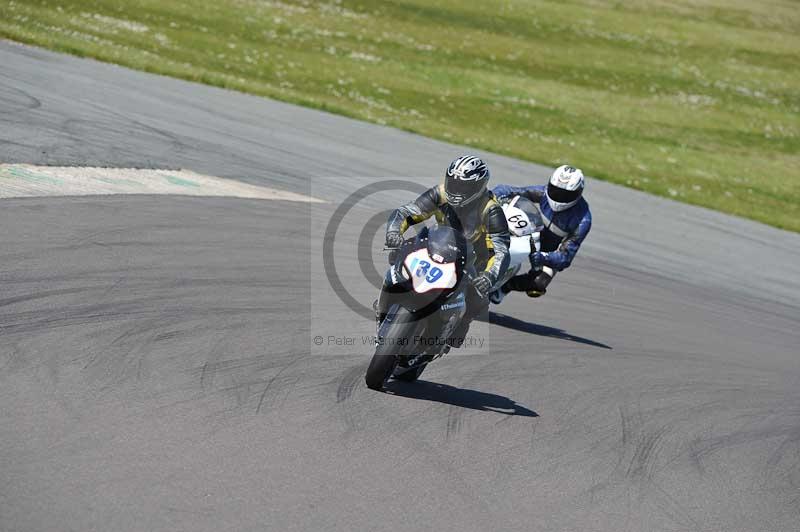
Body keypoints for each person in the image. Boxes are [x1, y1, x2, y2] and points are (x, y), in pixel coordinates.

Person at [378, 155, 511, 344]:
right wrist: (393, 233)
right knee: (398, 254)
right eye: (454, 183)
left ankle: (459, 326)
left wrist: (489, 276)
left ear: (479, 186)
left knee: (478, 298)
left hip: (471, 261)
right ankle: (386, 303)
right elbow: (407, 212)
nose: (457, 190)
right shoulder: (440, 193)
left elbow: (500, 250)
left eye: (464, 186)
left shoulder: (490, 210)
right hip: (437, 244)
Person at [491, 164, 592, 299]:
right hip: (529, 233)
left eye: (565, 195)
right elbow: (511, 190)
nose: (558, 197)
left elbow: (565, 257)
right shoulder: (543, 192)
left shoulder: (582, 219)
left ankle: (505, 287)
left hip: (549, 252)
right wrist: (494, 195)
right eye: (555, 191)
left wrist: (544, 257)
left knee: (538, 284)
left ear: (578, 193)